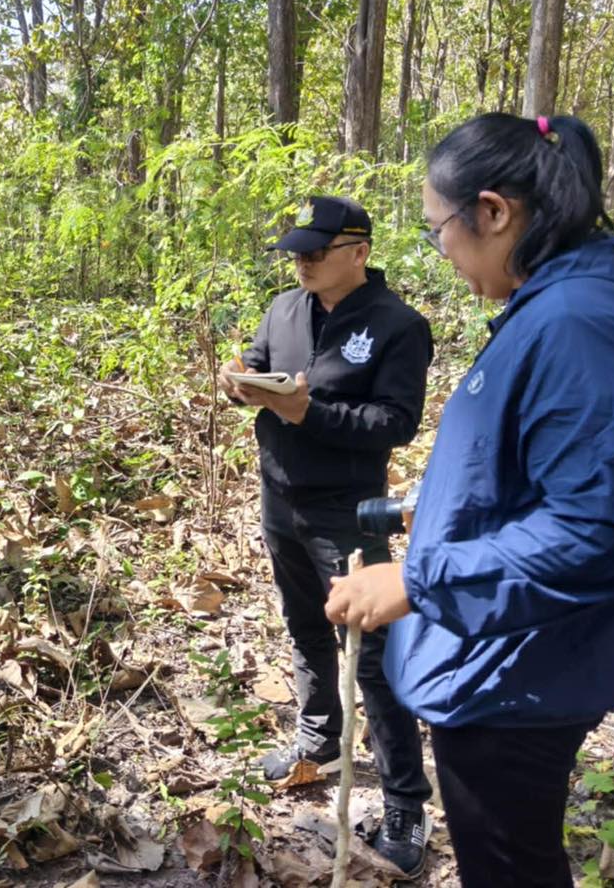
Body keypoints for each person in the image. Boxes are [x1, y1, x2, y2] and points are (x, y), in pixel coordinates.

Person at [324, 114, 614, 887]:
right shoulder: (557, 306)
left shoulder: (582, 322)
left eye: (438, 231)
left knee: (509, 866)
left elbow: (602, 527)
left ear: (493, 212)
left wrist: (418, 581)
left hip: (518, 672)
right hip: (507, 653)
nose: (442, 253)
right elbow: (551, 468)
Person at [219, 196, 435, 878]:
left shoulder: (398, 324)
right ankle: (322, 738)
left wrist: (310, 411)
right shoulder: (286, 308)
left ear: (358, 252)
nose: (303, 263)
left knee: (371, 653)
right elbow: (254, 363)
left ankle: (406, 801)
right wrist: (238, 383)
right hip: (279, 492)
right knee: (306, 625)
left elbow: (395, 422)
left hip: (348, 506)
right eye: (297, 254)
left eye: (316, 252)